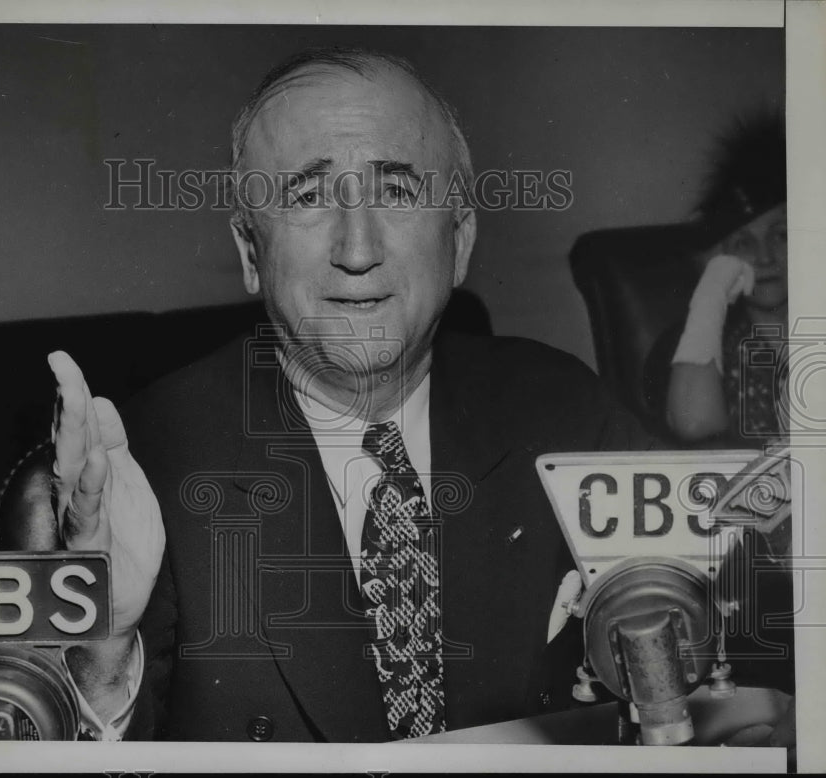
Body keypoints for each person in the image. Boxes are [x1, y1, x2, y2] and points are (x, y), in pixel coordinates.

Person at [42, 47, 656, 742]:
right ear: (250, 253)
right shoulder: (149, 460)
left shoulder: (563, 405)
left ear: (459, 239)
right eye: (308, 197)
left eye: (396, 192)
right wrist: (101, 653)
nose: (357, 249)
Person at [654, 111, 788, 446]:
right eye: (743, 243)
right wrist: (709, 299)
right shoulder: (693, 346)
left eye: (781, 235)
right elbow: (695, 424)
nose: (765, 257)